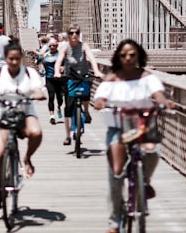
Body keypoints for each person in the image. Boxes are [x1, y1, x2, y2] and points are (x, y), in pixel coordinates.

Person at [93, 39, 175, 233]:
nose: (128, 58)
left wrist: (165, 102)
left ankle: (143, 181)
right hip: (118, 129)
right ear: (118, 58)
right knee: (116, 174)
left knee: (153, 151)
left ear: (139, 56)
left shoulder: (148, 77)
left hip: (143, 128)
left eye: (132, 54)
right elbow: (100, 97)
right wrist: (100, 102)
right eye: (123, 55)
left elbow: (158, 94)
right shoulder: (111, 79)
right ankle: (114, 222)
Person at [0, 42, 45, 209]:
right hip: (4, 113)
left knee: (36, 132)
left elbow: (38, 90)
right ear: (6, 59)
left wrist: (38, 94)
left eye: (17, 59)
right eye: (11, 59)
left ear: (21, 58)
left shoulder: (29, 73)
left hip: (25, 111)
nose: (14, 62)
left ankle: (27, 158)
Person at [54, 24, 104, 145]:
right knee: (68, 108)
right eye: (71, 33)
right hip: (70, 77)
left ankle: (86, 112)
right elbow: (59, 61)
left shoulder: (84, 46)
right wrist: (56, 72)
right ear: (68, 35)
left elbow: (92, 58)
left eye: (76, 32)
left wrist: (96, 71)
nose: (74, 35)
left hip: (83, 76)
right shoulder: (65, 47)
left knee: (86, 95)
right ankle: (67, 136)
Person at [39, 37, 64, 124]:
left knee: (60, 98)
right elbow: (40, 60)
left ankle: (59, 107)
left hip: (59, 79)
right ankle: (52, 116)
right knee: (51, 97)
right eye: (50, 46)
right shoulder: (45, 55)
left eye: (54, 45)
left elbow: (64, 65)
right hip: (49, 78)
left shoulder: (61, 55)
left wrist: (62, 68)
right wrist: (42, 68)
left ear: (57, 46)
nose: (52, 47)